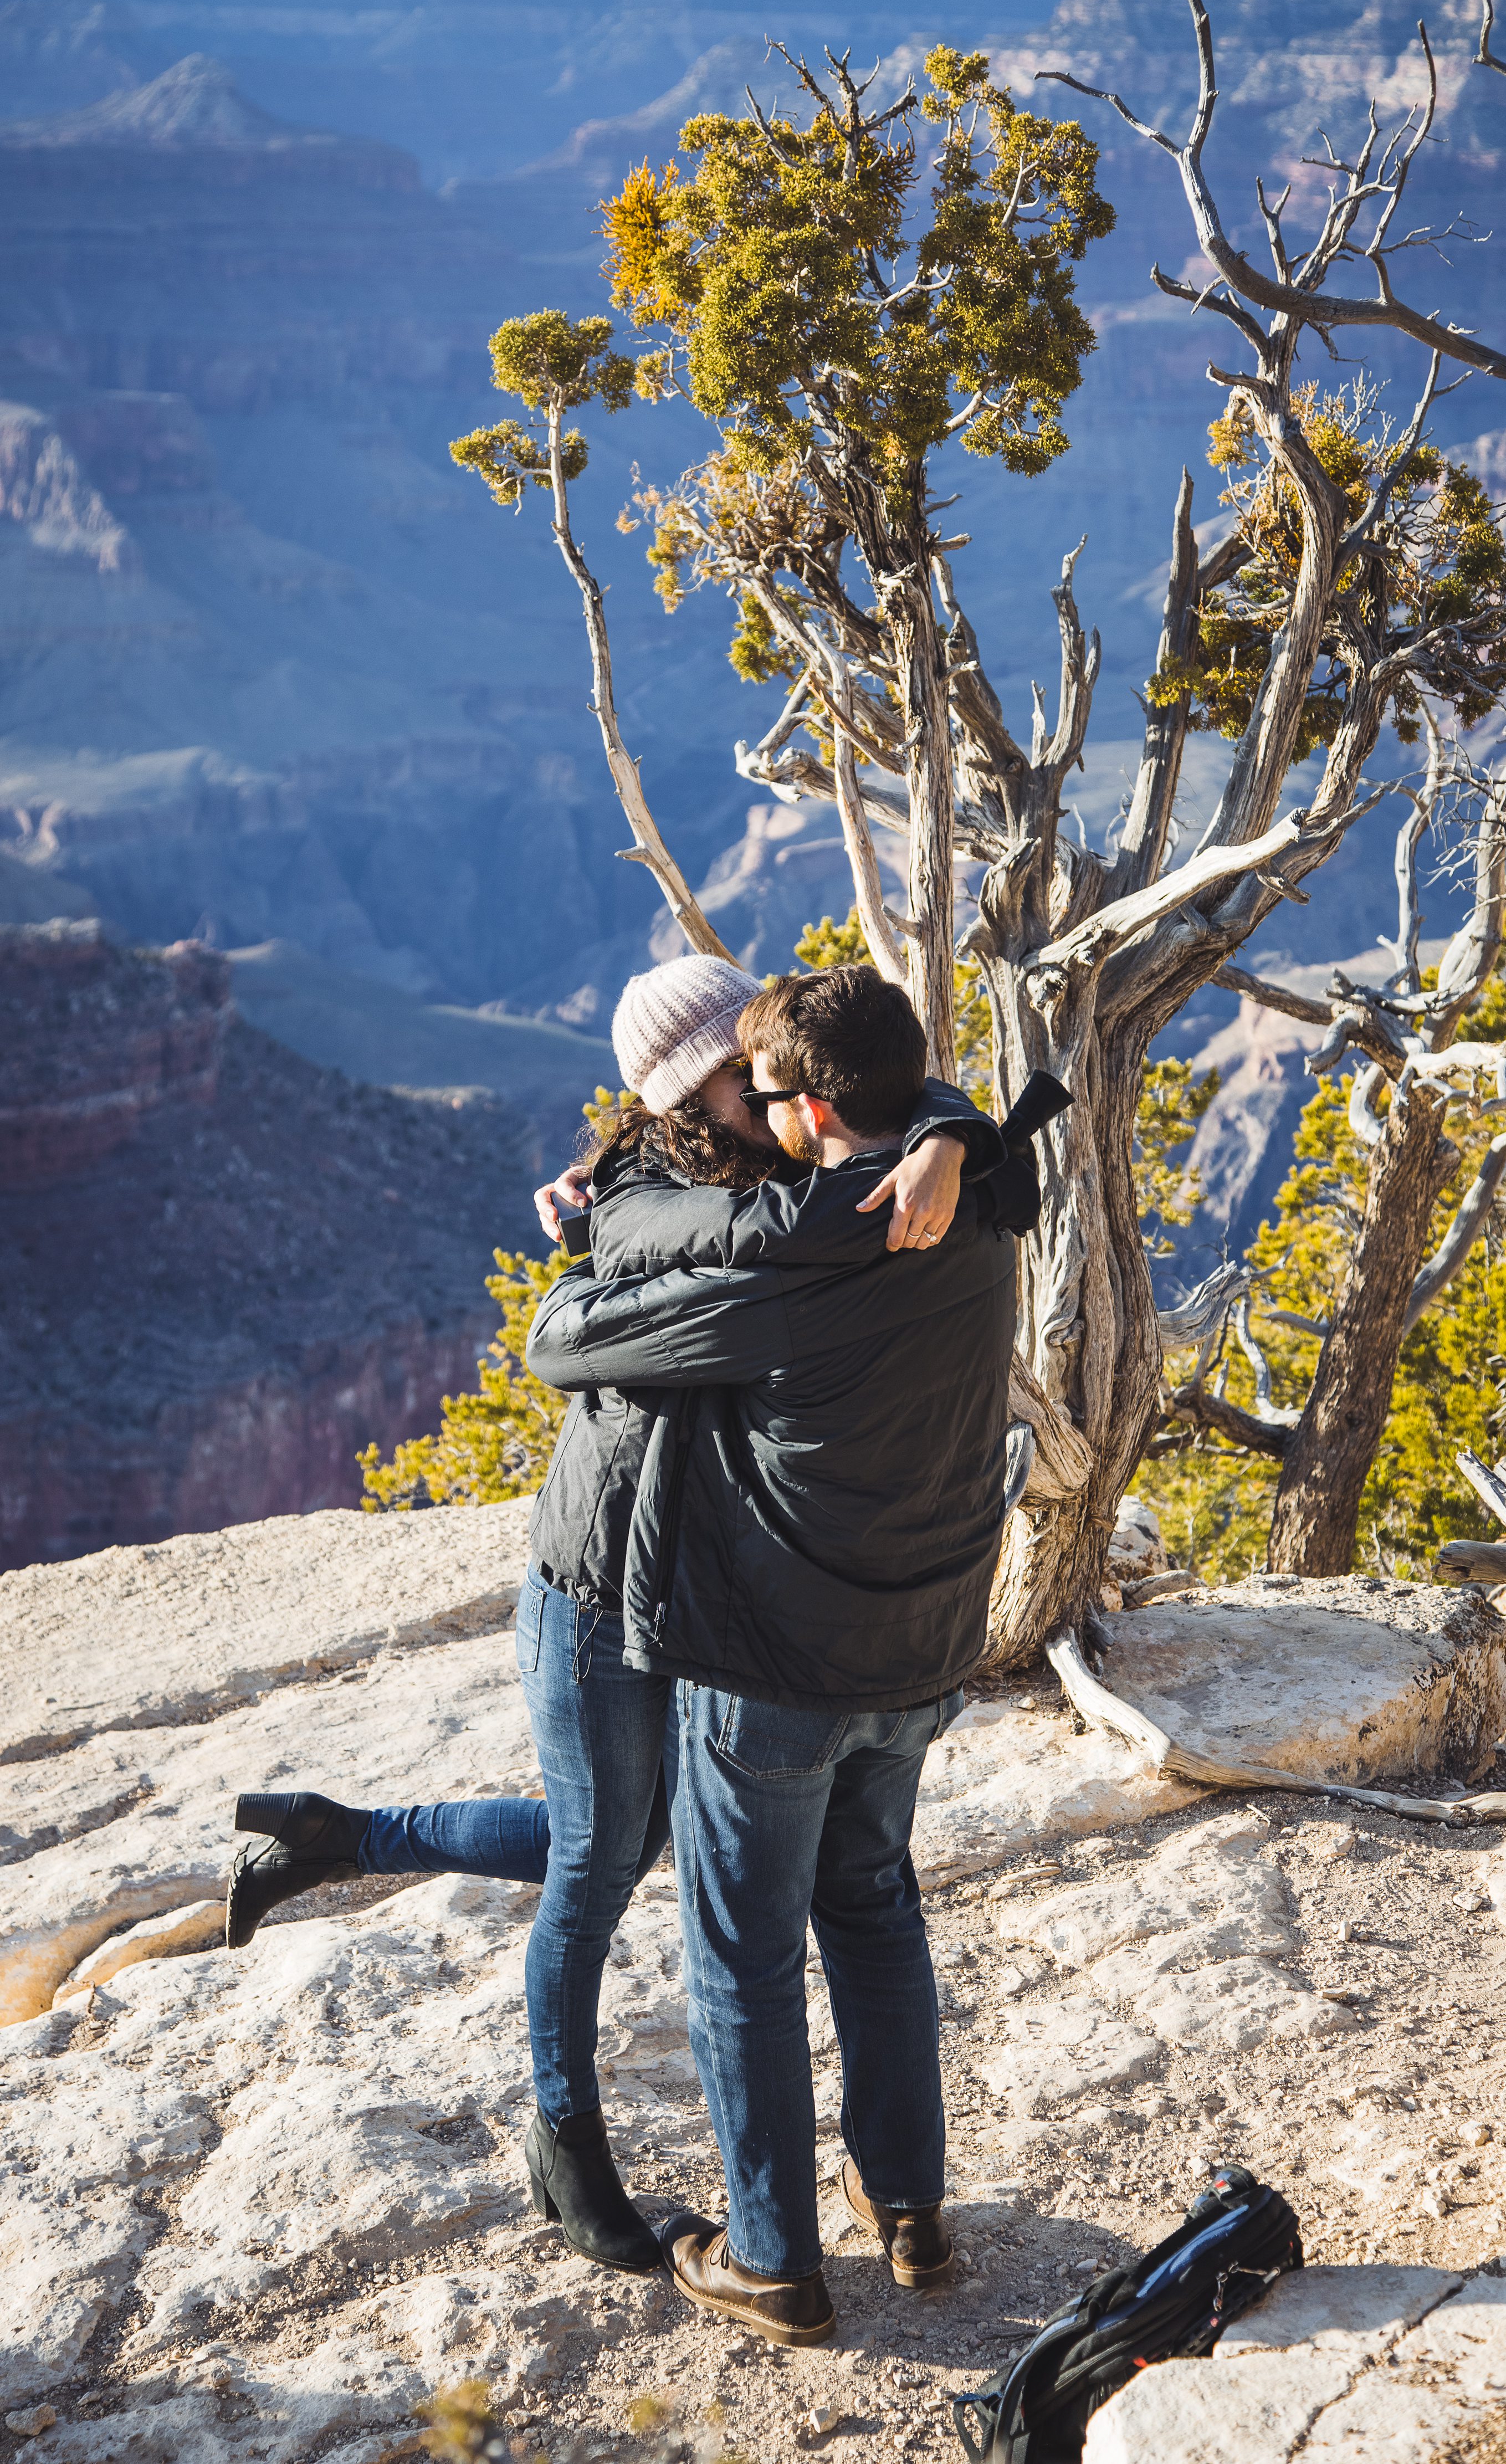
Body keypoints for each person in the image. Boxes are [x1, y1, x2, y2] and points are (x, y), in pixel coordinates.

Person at [222, 954, 1001, 2278]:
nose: (768, 1075)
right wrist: (601, 1244)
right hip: (597, 1587)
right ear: (700, 1088)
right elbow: (565, 1340)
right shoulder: (668, 1200)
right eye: (743, 1069)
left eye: (780, 1066)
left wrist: (949, 1135)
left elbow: (908, 1102)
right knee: (598, 1864)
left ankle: (342, 1836)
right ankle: (566, 2139)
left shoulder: (824, 1175)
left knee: (644, 1846)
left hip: (706, 1604)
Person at [525, 966, 1024, 2345]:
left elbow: (563, 1344)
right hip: (923, 1646)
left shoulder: (787, 1268)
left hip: (780, 1672)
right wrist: (955, 1129)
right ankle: (911, 2212)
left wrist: (594, 1249)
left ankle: (773, 2261)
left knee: (740, 1952)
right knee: (872, 1906)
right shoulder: (984, 1199)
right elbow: (949, 1120)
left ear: (805, 1110)